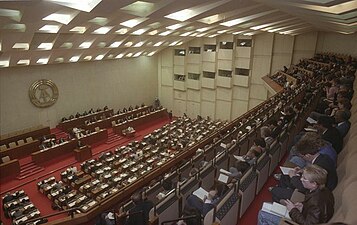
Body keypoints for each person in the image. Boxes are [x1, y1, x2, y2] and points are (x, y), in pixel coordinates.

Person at [258, 164, 334, 225]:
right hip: (304, 215)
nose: (301, 179)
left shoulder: (316, 203)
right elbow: (311, 208)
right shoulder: (323, 190)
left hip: (302, 221)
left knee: (262, 214)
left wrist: (293, 210)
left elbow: (307, 223)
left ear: (314, 183)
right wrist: (303, 206)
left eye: (304, 178)